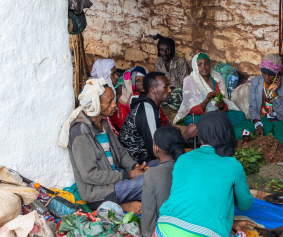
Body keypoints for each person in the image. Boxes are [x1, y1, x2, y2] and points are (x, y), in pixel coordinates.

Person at [153, 112, 254, 237]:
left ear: (201, 136)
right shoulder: (232, 164)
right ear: (227, 133)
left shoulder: (183, 159)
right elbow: (245, 205)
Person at [59, 78, 146, 213]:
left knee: (156, 169)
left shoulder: (103, 123)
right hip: (99, 192)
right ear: (95, 104)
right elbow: (90, 175)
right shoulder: (80, 133)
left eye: (113, 100)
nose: (114, 105)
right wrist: (127, 176)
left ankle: (124, 205)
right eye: (109, 102)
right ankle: (118, 205)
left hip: (116, 178)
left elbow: (120, 152)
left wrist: (135, 167)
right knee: (149, 182)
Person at [119, 71, 197, 164]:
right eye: (166, 87)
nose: (170, 90)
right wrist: (186, 135)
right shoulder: (146, 110)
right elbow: (157, 150)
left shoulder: (152, 106)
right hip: (140, 162)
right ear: (153, 90)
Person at [140, 126, 186, 237]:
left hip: (170, 236)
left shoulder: (151, 174)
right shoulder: (190, 168)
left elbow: (148, 210)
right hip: (194, 230)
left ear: (156, 148)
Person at [173, 53, 244, 124]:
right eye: (199, 64)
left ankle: (217, 123)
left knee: (240, 115)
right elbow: (190, 110)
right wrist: (206, 101)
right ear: (195, 66)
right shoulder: (189, 80)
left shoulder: (217, 77)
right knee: (193, 120)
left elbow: (225, 101)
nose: (204, 66)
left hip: (218, 113)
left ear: (210, 65)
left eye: (206, 63)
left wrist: (222, 105)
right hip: (200, 115)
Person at [249, 53, 283, 134]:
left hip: (281, 120)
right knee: (241, 131)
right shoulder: (255, 82)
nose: (266, 77)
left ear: (277, 74)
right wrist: (257, 124)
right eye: (264, 73)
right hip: (263, 120)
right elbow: (253, 107)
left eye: (270, 75)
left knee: (280, 135)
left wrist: (275, 94)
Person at [153, 34, 190, 111]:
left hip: (177, 90)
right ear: (159, 51)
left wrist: (168, 90)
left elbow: (184, 82)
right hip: (164, 91)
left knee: (179, 93)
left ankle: (165, 103)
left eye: (168, 50)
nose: (165, 53)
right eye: (162, 50)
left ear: (172, 50)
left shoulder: (181, 62)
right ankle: (170, 103)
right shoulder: (158, 62)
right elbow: (158, 81)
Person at [115, 65, 147, 129]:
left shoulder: (148, 94)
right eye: (138, 80)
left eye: (144, 79)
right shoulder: (127, 98)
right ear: (132, 83)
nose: (142, 83)